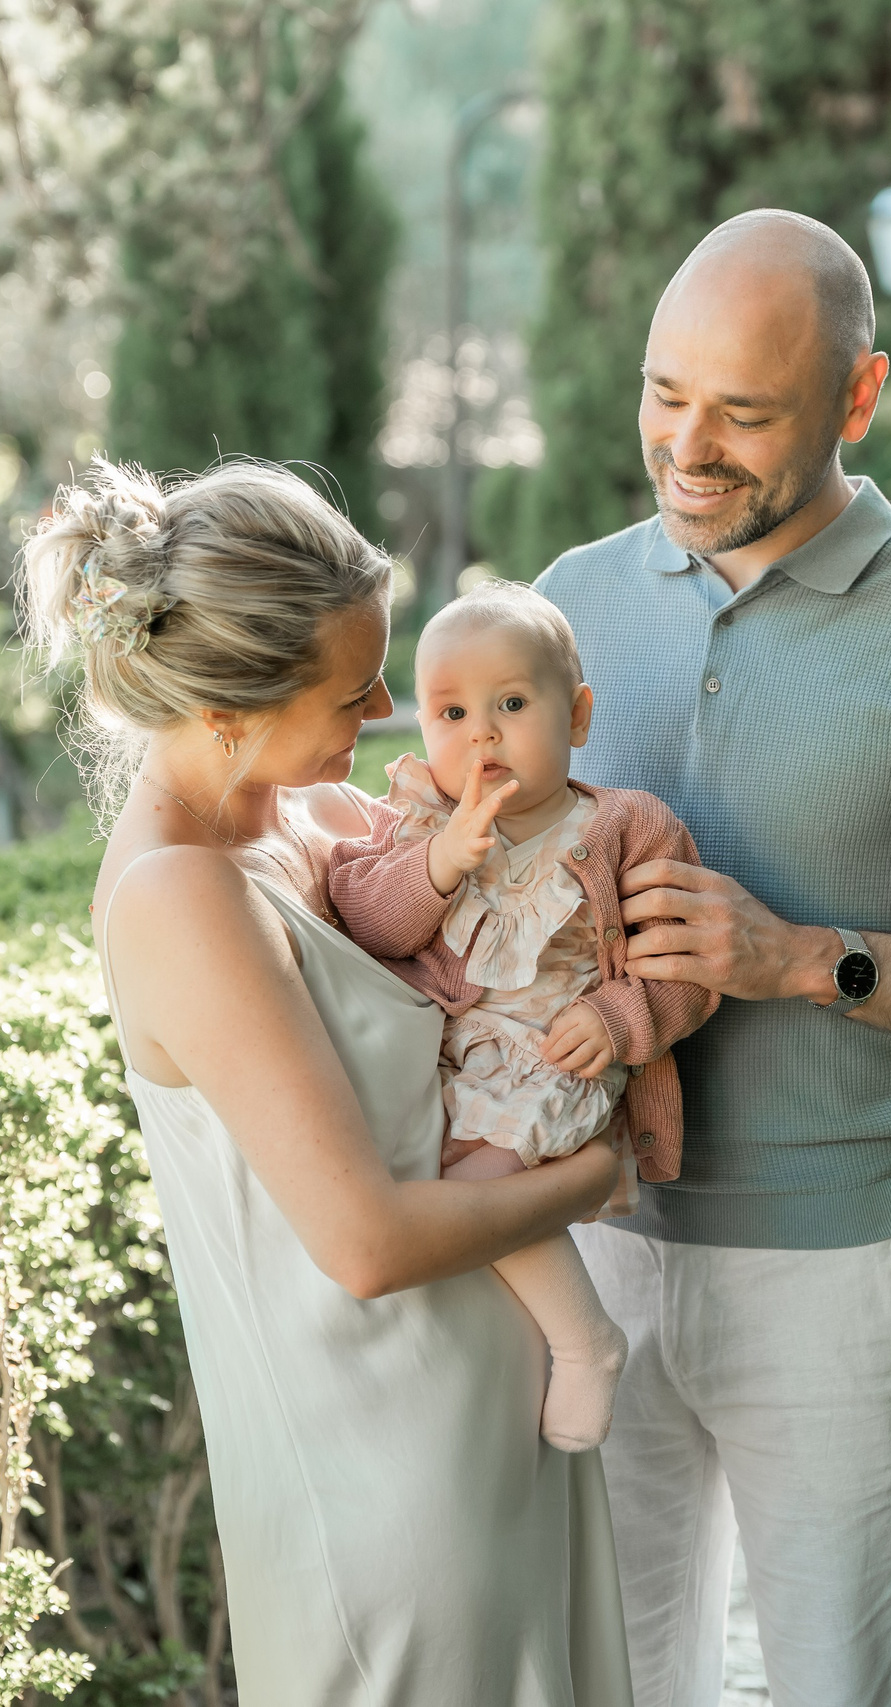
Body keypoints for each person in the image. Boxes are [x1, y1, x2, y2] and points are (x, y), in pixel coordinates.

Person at [537, 210, 891, 1706]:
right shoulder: (571, 604)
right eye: (667, 393)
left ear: (860, 399)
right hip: (586, 1245)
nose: (689, 444)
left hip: (837, 1271)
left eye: (746, 411)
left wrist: (807, 959)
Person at [29, 457, 635, 1704]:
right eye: (353, 694)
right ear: (227, 710)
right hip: (384, 1491)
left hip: (496, 1435)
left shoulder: (301, 819)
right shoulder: (182, 897)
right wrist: (595, 1174)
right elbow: (363, 1241)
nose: (382, 720)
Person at [326, 580, 719, 1452]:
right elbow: (369, 922)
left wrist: (619, 1018)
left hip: (558, 1059)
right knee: (426, 1189)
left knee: (458, 1201)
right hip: (451, 1064)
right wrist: (438, 863)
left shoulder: (627, 828)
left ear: (577, 715)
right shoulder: (422, 820)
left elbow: (690, 974)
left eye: (511, 702)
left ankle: (584, 1341)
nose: (482, 733)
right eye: (452, 712)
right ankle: (487, 1360)